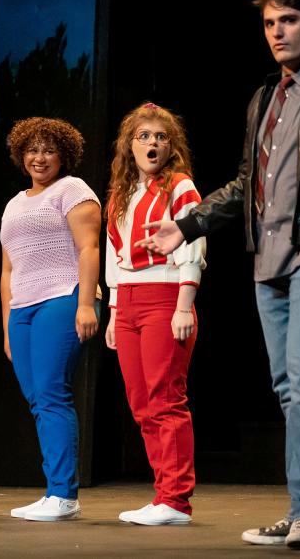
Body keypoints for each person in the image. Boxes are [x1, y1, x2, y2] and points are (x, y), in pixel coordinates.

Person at [135, 0, 300, 549]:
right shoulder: (264, 99)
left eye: (289, 21)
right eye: (270, 23)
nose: (277, 32)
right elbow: (249, 183)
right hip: (267, 258)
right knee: (286, 384)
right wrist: (187, 223)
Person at [104, 103, 207, 526]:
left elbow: (194, 242)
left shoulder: (179, 186)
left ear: (171, 147)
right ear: (130, 145)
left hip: (166, 295)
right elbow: (113, 253)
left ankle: (176, 501)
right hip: (126, 300)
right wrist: (113, 312)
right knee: (141, 403)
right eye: (144, 136)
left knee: (166, 398)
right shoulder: (121, 194)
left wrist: (186, 302)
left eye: (161, 137)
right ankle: (163, 493)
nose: (153, 143)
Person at [0, 117, 101, 521]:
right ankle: (55, 490)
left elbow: (89, 247)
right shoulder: (13, 203)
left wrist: (86, 303)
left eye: (48, 150)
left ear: (64, 155)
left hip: (63, 297)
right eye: (32, 150)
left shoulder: (72, 190)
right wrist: (7, 323)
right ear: (21, 154)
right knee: (38, 398)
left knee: (53, 393)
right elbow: (7, 270)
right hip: (22, 308)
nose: (39, 158)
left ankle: (64, 494)